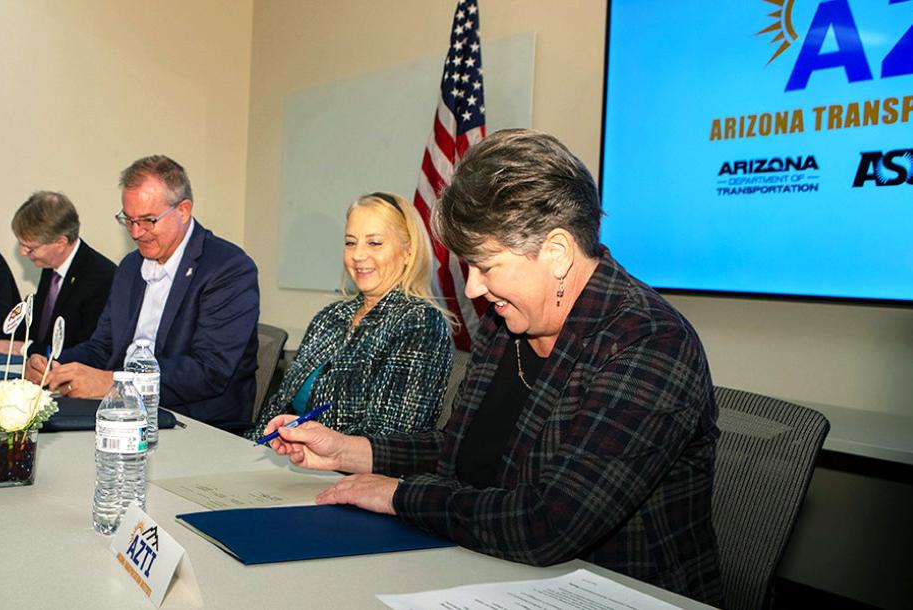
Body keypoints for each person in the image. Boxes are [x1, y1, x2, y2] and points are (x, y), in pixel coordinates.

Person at [263, 129, 724, 605]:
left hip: (617, 591)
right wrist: (349, 453)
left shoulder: (647, 343)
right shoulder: (506, 322)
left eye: (486, 265)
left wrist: (398, 495)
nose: (476, 288)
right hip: (490, 571)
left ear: (558, 252)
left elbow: (549, 524)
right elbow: (460, 449)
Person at [27, 155, 260, 430]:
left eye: (149, 220)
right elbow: (104, 347)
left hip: (196, 422)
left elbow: (207, 372)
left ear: (183, 210)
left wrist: (111, 382)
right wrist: (55, 367)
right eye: (129, 220)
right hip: (123, 412)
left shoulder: (228, 268)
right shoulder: (130, 267)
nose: (137, 233)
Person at [245, 193, 452, 439]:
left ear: (408, 251)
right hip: (283, 457)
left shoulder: (419, 323)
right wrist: (252, 446)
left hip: (343, 472)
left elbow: (389, 438)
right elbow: (279, 404)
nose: (357, 255)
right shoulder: (331, 316)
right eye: (350, 242)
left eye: (374, 243)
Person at [0, 191, 116, 356]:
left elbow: (86, 350)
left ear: (60, 243)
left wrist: (24, 348)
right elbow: (40, 331)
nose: (22, 252)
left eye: (30, 248)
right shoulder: (51, 266)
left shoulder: (101, 279)